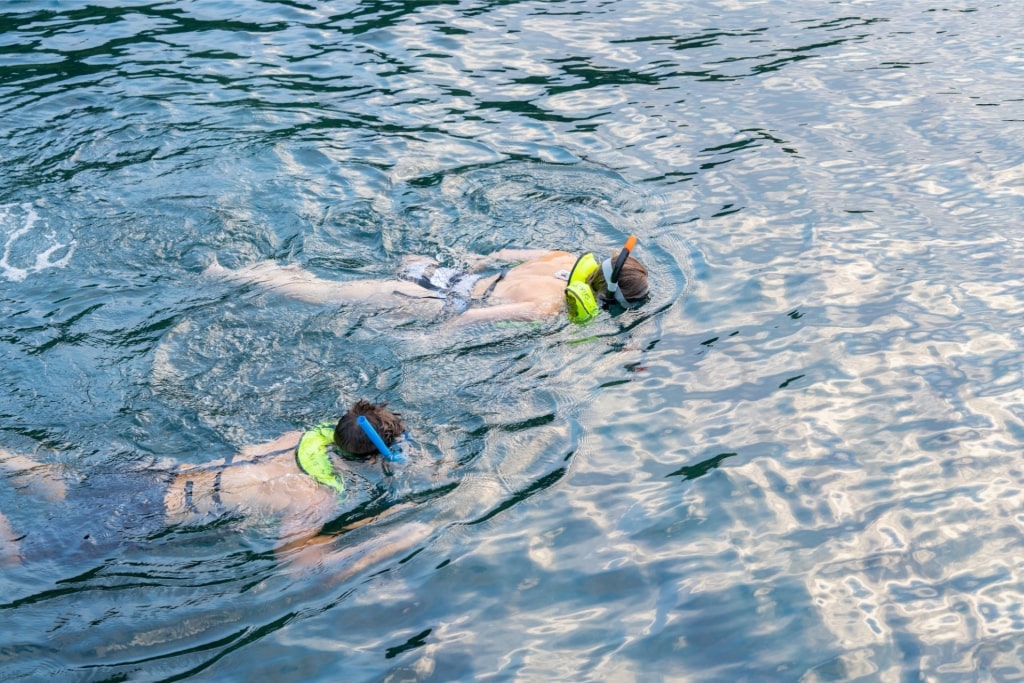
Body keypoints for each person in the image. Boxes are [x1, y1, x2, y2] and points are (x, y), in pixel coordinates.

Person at [0, 400, 413, 569]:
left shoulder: (300, 437)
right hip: (148, 511)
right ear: (374, 458)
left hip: (149, 472)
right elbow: (297, 562)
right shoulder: (314, 494)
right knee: (13, 556)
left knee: (65, 486)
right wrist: (377, 539)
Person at [204, 235, 650, 325]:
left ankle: (290, 276)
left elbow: (493, 255)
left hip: (437, 271)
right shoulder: (550, 306)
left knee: (339, 289)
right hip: (433, 303)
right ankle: (224, 276)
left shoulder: (564, 256)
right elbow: (465, 323)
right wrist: (421, 343)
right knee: (327, 298)